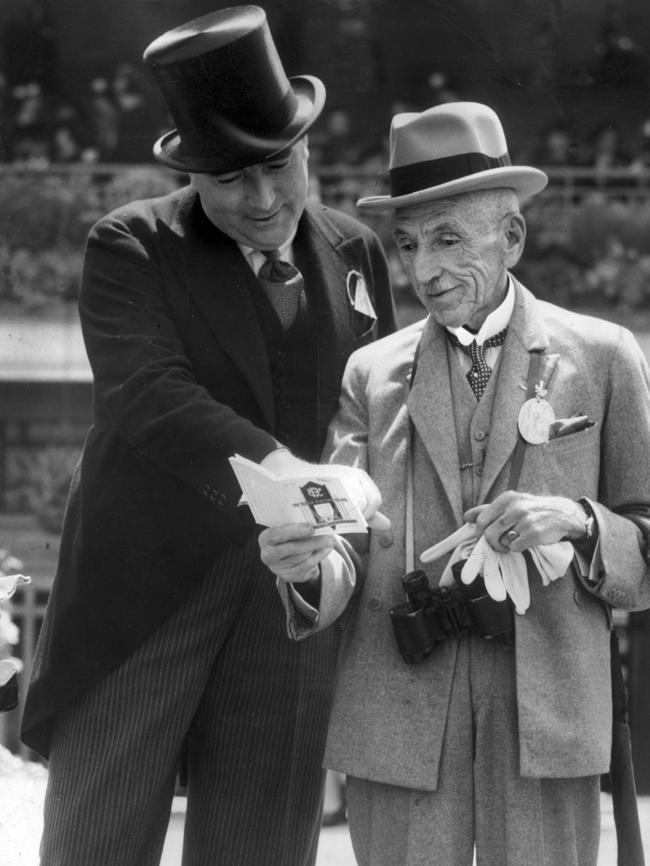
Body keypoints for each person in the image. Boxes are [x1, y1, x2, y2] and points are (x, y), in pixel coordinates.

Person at [21, 7, 395, 866]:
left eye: (277, 167)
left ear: (309, 147)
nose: (261, 201)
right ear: (192, 174)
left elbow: (370, 408)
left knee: (263, 845)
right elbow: (149, 395)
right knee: (98, 840)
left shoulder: (356, 253)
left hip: (293, 600)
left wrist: (334, 529)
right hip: (147, 595)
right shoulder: (131, 245)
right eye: (229, 181)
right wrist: (287, 474)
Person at [260, 102, 650, 866]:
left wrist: (576, 518)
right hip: (397, 720)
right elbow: (344, 536)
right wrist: (306, 566)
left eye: (448, 239)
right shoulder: (371, 374)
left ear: (512, 236)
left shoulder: (606, 358)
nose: (423, 270)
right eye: (406, 244)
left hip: (548, 724)